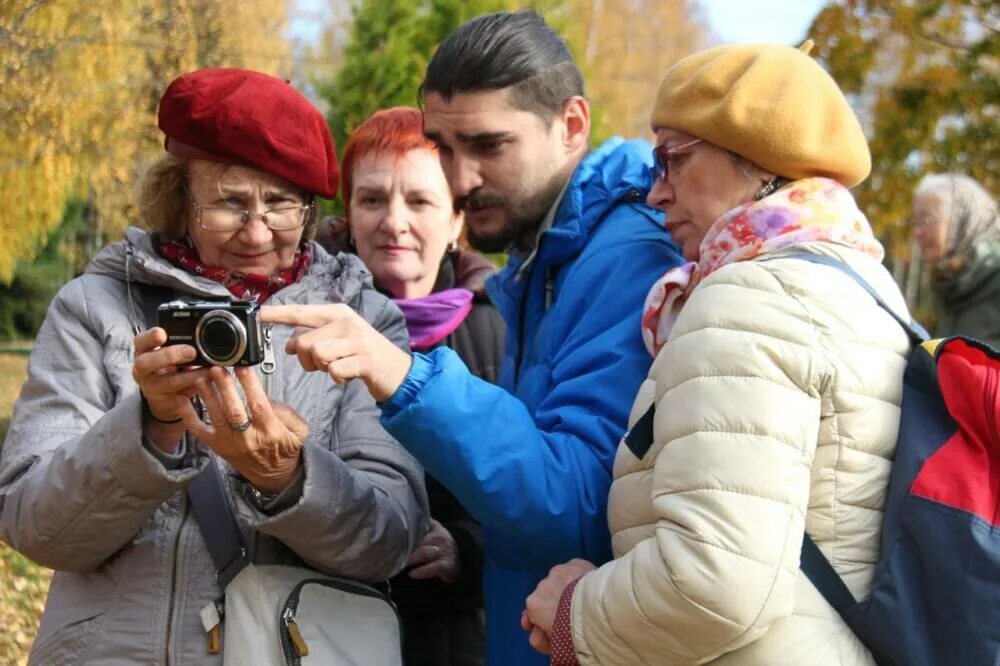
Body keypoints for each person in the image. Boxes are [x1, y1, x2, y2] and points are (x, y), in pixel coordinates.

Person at [261, 10, 684, 665]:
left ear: (572, 126)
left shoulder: (626, 261)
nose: (460, 179)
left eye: (488, 146)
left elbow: (575, 509)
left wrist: (403, 376)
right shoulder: (546, 263)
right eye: (446, 148)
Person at [0, 67, 427, 665]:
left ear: (309, 208)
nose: (256, 232)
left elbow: (391, 540)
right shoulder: (96, 308)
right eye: (229, 203)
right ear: (178, 197)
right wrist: (149, 429)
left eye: (281, 205)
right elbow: (33, 526)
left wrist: (288, 481)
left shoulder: (358, 321)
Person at [524, 42, 916, 665]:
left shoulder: (752, 296)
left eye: (671, 160)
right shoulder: (861, 287)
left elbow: (715, 581)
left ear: (760, 161)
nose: (655, 193)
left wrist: (575, 610)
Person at [324, 106, 504, 666]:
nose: (393, 221)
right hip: (321, 626)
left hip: (450, 638)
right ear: (349, 214)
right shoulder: (307, 317)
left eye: (420, 201)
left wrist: (466, 551)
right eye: (373, 199)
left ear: (456, 221)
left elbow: (535, 485)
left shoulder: (499, 327)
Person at [912, 173, 1000, 347]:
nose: (917, 232)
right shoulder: (950, 285)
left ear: (964, 220)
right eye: (916, 221)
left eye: (927, 219)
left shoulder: (995, 278)